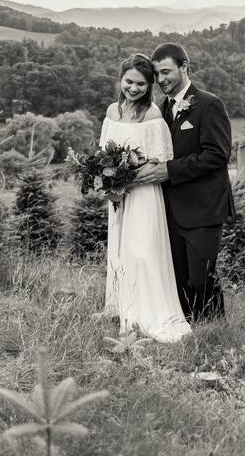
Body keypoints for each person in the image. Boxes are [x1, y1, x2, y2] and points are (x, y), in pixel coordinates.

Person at [134, 43, 235, 322]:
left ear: (184, 67)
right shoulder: (160, 109)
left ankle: (215, 331)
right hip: (171, 210)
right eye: (157, 74)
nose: (162, 79)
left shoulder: (209, 104)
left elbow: (217, 156)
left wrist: (170, 170)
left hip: (204, 209)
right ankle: (189, 332)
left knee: (202, 278)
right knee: (178, 280)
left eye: (166, 71)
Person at [98, 54, 192, 342]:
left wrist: (127, 179)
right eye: (129, 82)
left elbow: (161, 161)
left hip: (143, 194)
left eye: (141, 84)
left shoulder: (153, 116)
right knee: (120, 251)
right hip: (118, 196)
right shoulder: (112, 111)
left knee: (142, 251)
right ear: (120, 80)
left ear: (149, 85)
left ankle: (150, 313)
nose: (134, 88)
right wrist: (106, 178)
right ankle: (125, 309)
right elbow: (103, 152)